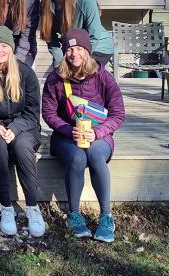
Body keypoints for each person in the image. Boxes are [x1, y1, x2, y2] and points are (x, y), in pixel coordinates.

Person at [42, 29, 125, 243]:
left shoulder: (103, 77)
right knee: (77, 157)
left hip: (98, 134)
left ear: (87, 51)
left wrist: (97, 132)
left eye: (79, 49)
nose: (74, 54)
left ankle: (106, 216)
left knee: (96, 154)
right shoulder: (55, 78)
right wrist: (69, 130)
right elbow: (49, 113)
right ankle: (74, 214)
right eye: (69, 50)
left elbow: (118, 114)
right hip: (66, 135)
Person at [0, 26, 46, 237]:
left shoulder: (25, 73)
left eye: (3, 46)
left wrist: (14, 129)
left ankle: (32, 206)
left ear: (11, 49)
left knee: (22, 147)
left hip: (24, 125)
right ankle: (7, 207)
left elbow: (31, 113)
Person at [40, 0, 114, 67]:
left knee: (81, 75)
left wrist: (78, 59)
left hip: (98, 47)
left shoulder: (86, 2)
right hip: (73, 49)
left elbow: (94, 37)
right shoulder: (46, 5)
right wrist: (60, 61)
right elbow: (51, 40)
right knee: (59, 74)